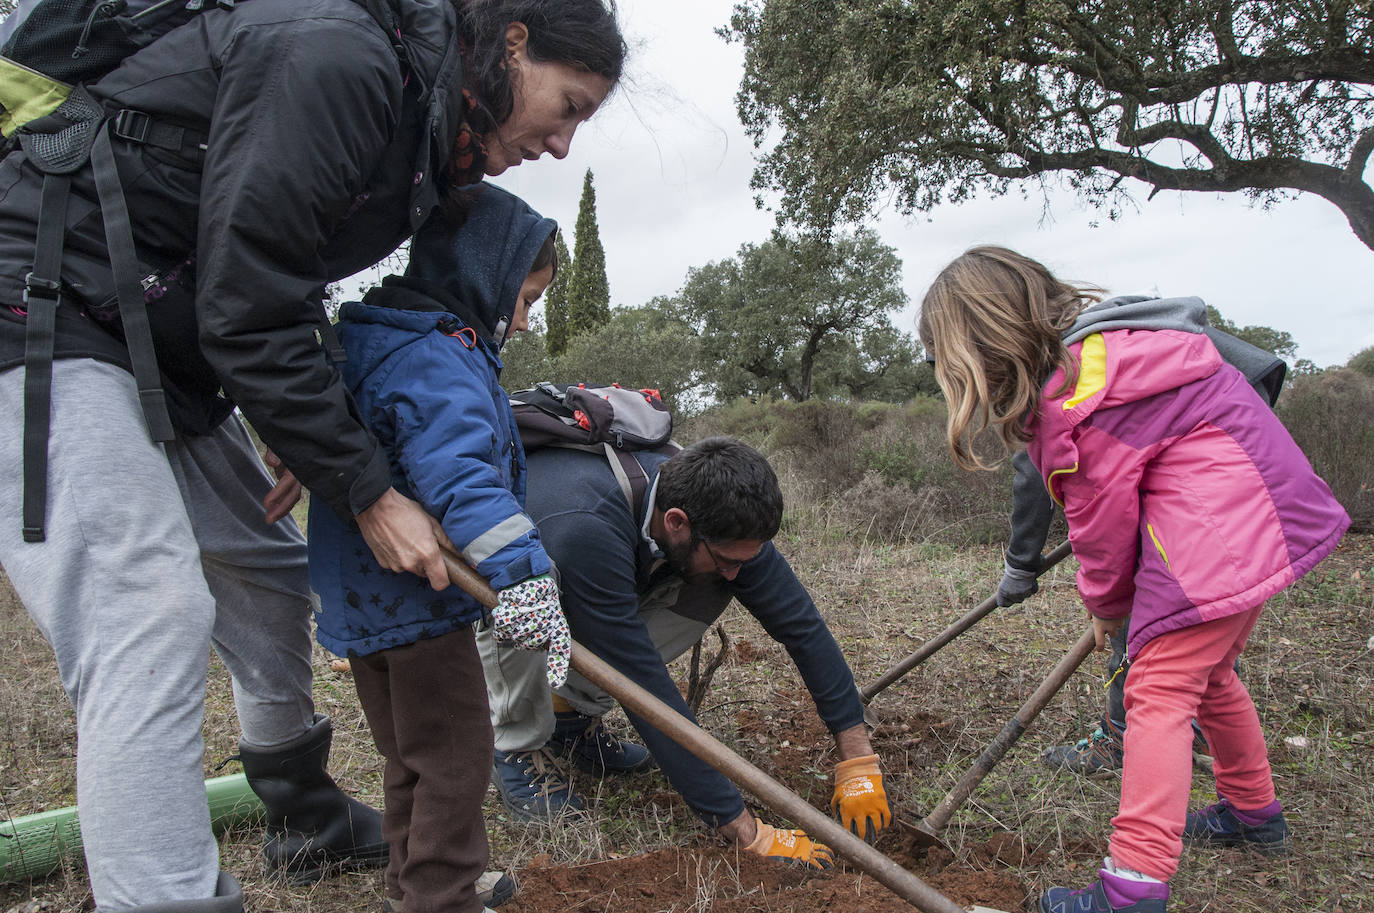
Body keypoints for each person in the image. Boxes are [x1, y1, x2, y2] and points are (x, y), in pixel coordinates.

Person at [0, 1, 625, 910]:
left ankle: (302, 818)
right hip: (41, 298)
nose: (564, 143)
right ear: (515, 46)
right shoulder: (340, 61)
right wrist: (365, 487)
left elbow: (276, 280)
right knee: (147, 609)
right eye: (568, 106)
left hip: (162, 335)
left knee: (264, 571)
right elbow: (250, 297)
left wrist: (314, 426)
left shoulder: (417, 128)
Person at [918, 246, 1350, 913]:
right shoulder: (1118, 341)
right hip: (1265, 510)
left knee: (1157, 688)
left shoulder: (1074, 398)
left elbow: (1102, 524)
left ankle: (1133, 887)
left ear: (980, 342)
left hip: (1219, 530)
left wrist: (1108, 607)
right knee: (1207, 676)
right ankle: (1251, 810)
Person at [309, 184, 567, 913]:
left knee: (410, 758)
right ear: (482, 271)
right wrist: (525, 573)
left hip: (363, 608)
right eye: (524, 296)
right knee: (456, 757)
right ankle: (444, 898)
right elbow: (459, 475)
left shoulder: (374, 335)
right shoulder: (436, 357)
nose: (522, 318)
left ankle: (414, 883)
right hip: (418, 601)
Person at [478, 436, 892, 868]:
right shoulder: (586, 530)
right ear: (676, 523)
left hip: (605, 569)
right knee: (524, 587)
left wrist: (858, 759)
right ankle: (516, 744)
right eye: (728, 557)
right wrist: (745, 831)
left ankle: (568, 714)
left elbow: (801, 627)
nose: (737, 569)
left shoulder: (719, 514)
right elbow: (642, 686)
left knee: (711, 582)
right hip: (502, 578)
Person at [993, 307, 1289, 776]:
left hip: (1213, 471)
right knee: (1199, 664)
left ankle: (1124, 741)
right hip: (1240, 451)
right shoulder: (1095, 331)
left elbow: (1052, 482)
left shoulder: (1056, 373)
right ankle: (1208, 752)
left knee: (1149, 655)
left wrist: (1023, 567)